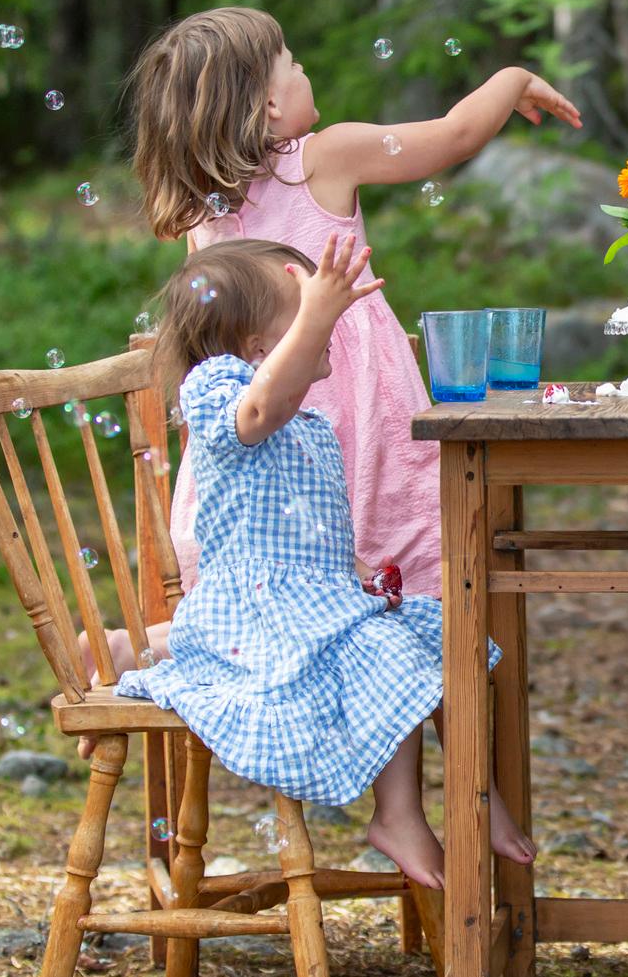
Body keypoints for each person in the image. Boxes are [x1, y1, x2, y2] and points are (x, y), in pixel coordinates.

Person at [102, 234, 536, 888]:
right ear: (256, 350)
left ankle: (479, 792)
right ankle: (398, 814)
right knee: (383, 652)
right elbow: (256, 411)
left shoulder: (305, 425)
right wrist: (315, 315)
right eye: (309, 315)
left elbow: (309, 533)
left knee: (436, 632)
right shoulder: (222, 392)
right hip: (254, 611)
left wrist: (354, 585)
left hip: (301, 606)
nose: (330, 327)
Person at [124, 6, 582, 599]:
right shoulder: (323, 156)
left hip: (265, 434)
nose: (303, 67)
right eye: (291, 62)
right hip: (352, 409)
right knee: (381, 553)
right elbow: (455, 135)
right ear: (266, 105)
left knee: (289, 576)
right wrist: (513, 78)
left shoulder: (202, 213)